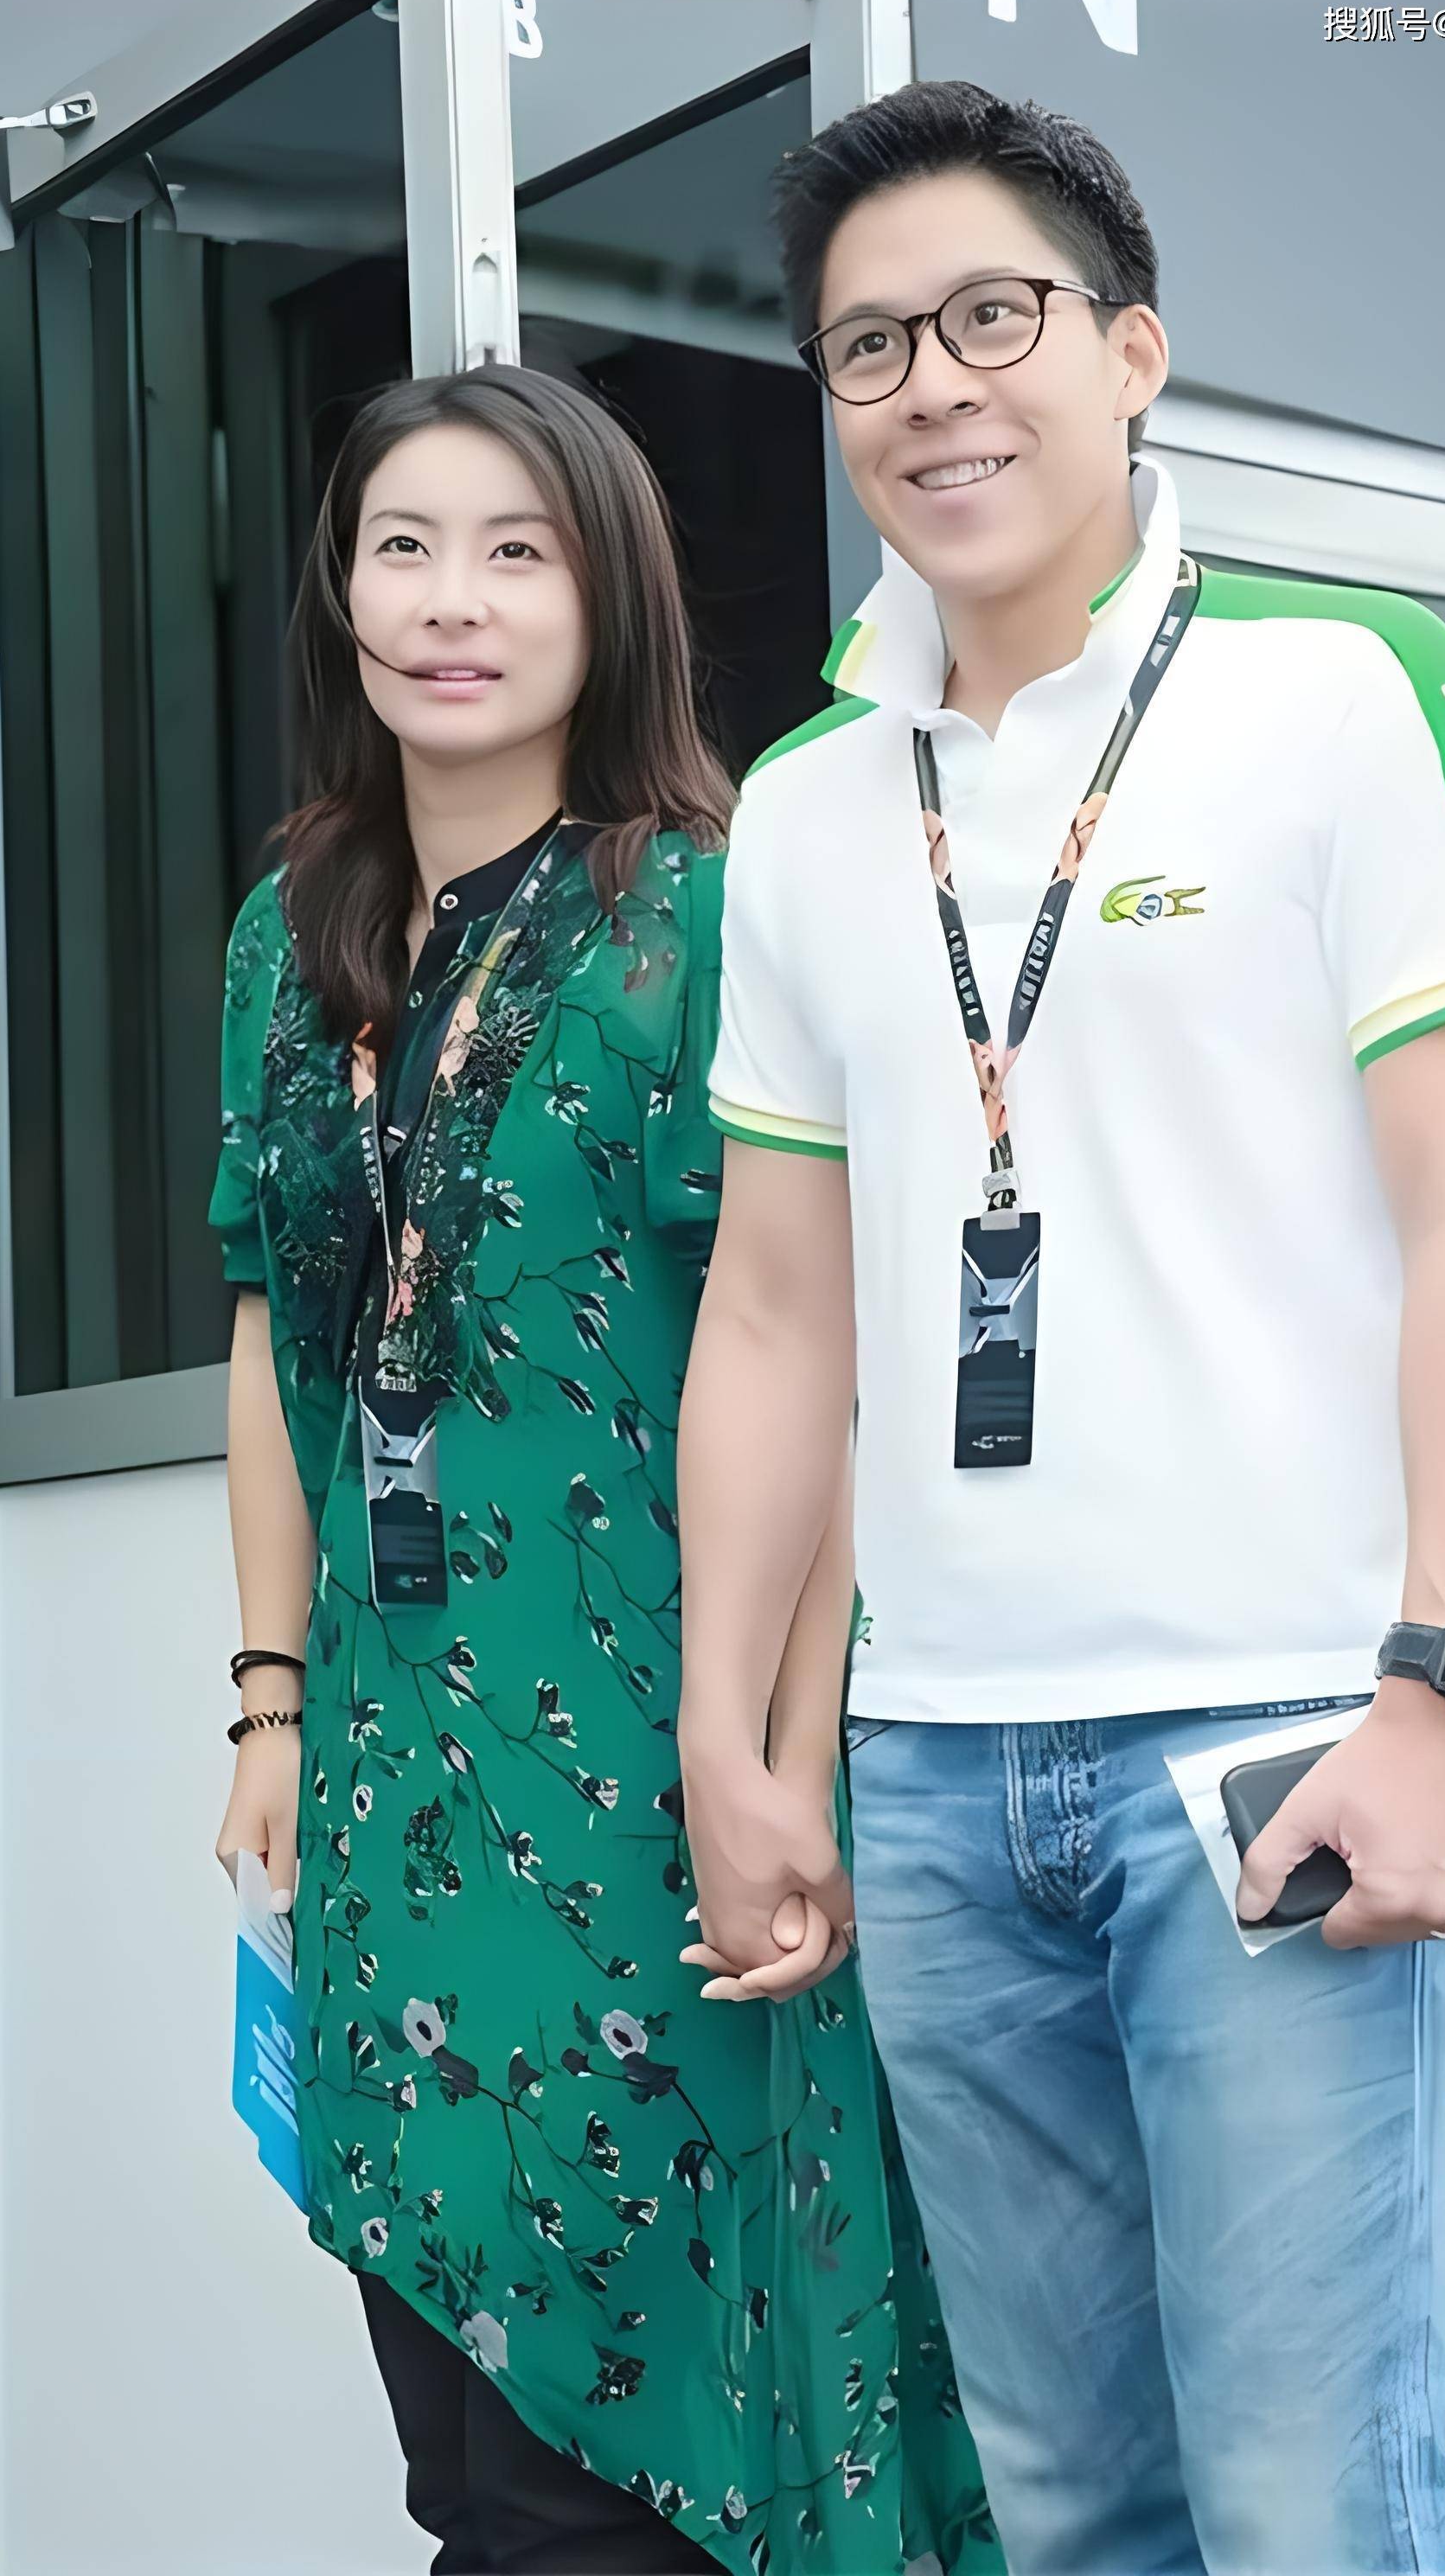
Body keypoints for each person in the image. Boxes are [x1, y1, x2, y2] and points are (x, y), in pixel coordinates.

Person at [675, 79, 1445, 2576]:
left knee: (1308, 2514)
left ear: (1133, 349)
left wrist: (1444, 1687)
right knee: (1074, 2514)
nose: (935, 388)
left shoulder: (1355, 685)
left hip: (1279, 1740)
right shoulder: (808, 801)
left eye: (993, 317)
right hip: (937, 1778)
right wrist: (736, 1736)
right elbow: (775, 1309)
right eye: (871, 346)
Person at [208, 367, 998, 2576]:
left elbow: (818, 1360)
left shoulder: (710, 913)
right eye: (401, 546)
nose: (450, 600)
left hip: (663, 1776)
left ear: (609, 597)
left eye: (515, 551)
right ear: (340, 594)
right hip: (388, 1783)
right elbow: (273, 1325)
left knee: (623, 2468)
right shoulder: (289, 931)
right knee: (458, 2456)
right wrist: (267, 1700)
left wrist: (789, 1759)